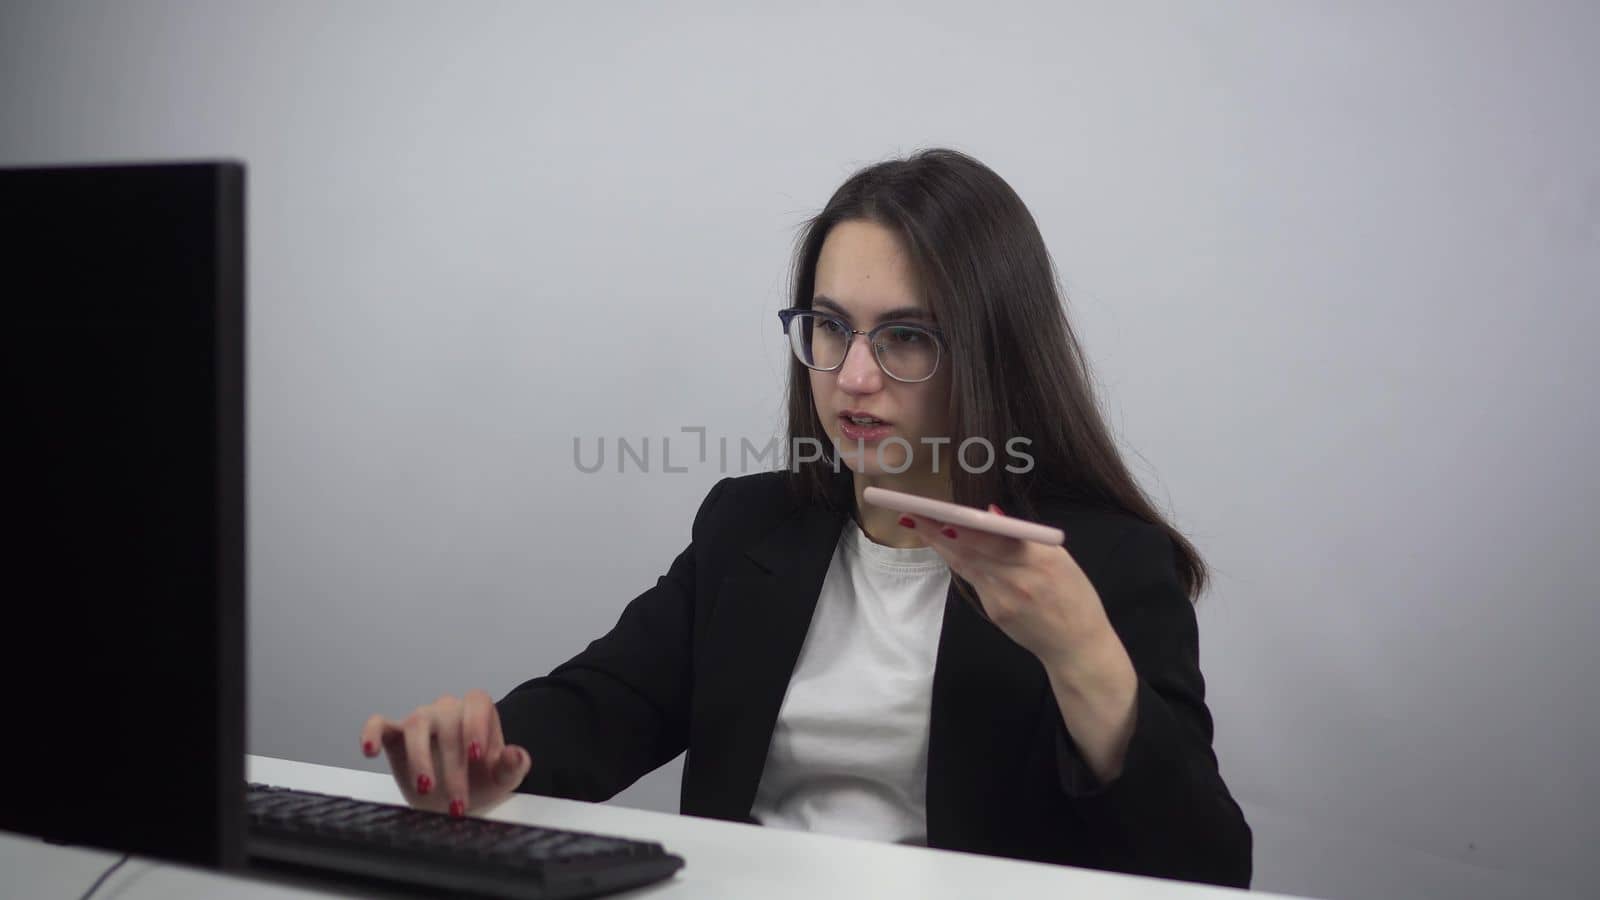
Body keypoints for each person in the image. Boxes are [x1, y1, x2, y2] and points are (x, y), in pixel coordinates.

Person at [359, 148, 1252, 888]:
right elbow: (606, 703)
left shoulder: (1104, 562)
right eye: (830, 326)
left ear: (991, 350)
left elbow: (1208, 870)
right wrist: (482, 752)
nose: (853, 377)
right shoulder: (752, 524)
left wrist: (1083, 656)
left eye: (907, 336)